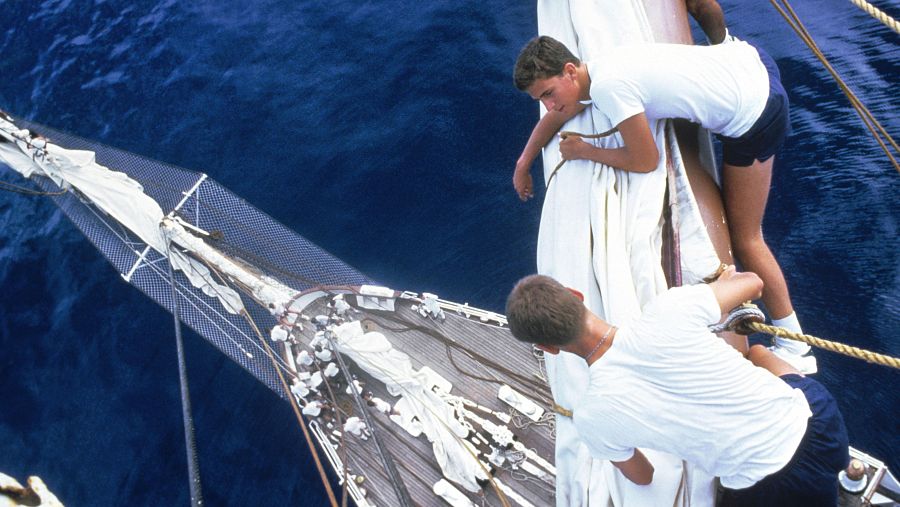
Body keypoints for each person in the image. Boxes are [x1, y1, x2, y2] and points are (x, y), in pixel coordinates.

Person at [511, 34, 815, 372]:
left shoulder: (609, 88)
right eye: (541, 99)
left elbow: (645, 160)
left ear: (569, 71)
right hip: (751, 61)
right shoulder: (601, 68)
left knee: (747, 238)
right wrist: (524, 162)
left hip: (757, 112)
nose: (549, 105)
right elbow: (561, 113)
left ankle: (794, 345)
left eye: (549, 94)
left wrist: (585, 151)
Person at [504, 270, 849, 505]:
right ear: (577, 296)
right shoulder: (670, 309)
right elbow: (753, 283)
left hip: (773, 487)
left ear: (547, 348)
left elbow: (643, 476)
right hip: (820, 422)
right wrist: (724, 282)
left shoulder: (591, 418)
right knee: (757, 353)